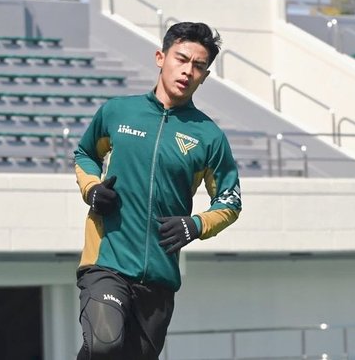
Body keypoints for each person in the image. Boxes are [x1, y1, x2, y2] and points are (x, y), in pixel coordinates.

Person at [73, 21, 242, 360]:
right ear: (160, 57)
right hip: (107, 263)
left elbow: (230, 201)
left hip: (160, 281)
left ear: (205, 76)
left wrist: (196, 225)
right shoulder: (118, 112)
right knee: (105, 344)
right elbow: (86, 154)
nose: (187, 71)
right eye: (181, 59)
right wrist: (91, 189)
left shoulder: (209, 137)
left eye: (198, 66)